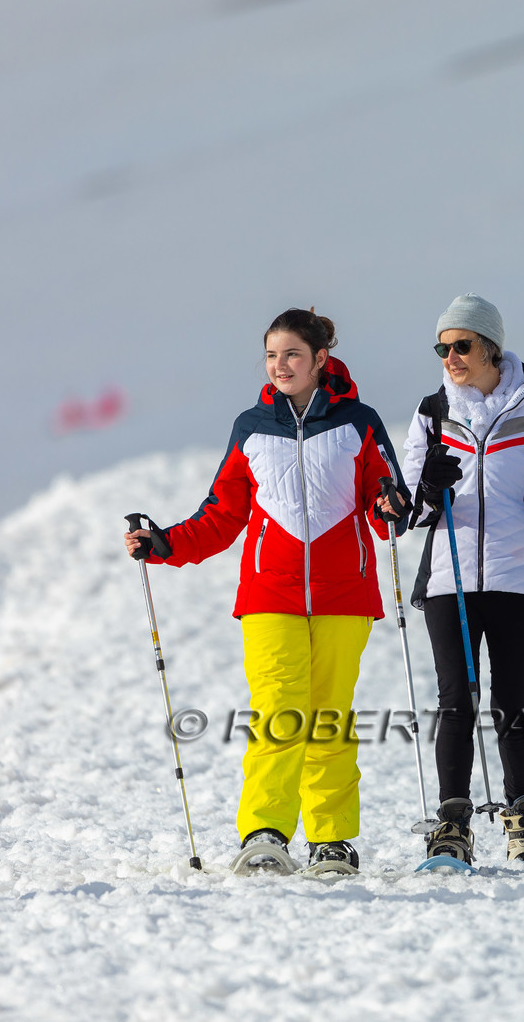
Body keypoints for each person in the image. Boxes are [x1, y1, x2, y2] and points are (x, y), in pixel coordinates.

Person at [124, 308, 409, 876]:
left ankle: (332, 841)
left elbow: (387, 501)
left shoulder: (359, 422)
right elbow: (222, 514)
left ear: (320, 359)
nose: (281, 365)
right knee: (280, 714)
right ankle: (265, 833)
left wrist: (390, 506)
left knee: (329, 718)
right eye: (273, 355)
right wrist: (164, 544)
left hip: (343, 594)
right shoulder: (252, 427)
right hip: (269, 596)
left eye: (293, 355)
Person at [401, 294, 524, 868]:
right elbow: (404, 507)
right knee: (456, 698)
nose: (450, 356)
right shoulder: (433, 412)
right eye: (443, 347)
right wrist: (428, 487)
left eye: (461, 345)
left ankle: (523, 822)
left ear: (490, 348)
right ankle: (452, 828)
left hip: (517, 575)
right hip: (447, 576)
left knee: (513, 699)